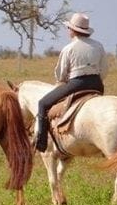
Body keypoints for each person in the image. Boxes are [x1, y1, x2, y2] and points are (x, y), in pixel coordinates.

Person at [34, 12, 108, 152]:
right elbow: (104, 69)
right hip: (97, 84)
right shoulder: (99, 46)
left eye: (69, 28)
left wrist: (68, 81)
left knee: (42, 103)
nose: (68, 30)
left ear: (73, 30)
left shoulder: (69, 48)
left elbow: (60, 75)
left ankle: (41, 143)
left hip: (76, 84)